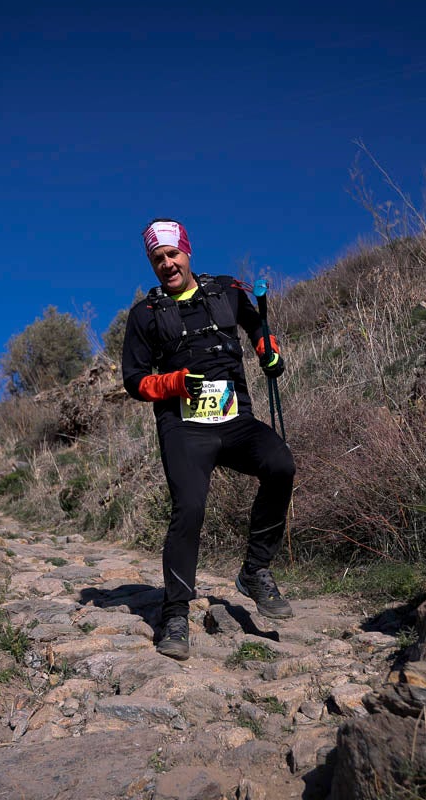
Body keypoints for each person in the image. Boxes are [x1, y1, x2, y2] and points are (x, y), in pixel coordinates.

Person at [121, 218, 296, 660]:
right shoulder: (144, 315)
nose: (167, 264)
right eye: (157, 259)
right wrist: (174, 383)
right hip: (183, 426)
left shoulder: (227, 290)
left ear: (187, 251)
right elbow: (135, 381)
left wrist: (268, 352)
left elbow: (257, 326)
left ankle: (255, 570)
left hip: (235, 418)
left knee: (281, 464)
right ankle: (175, 615)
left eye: (172, 255)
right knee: (190, 508)